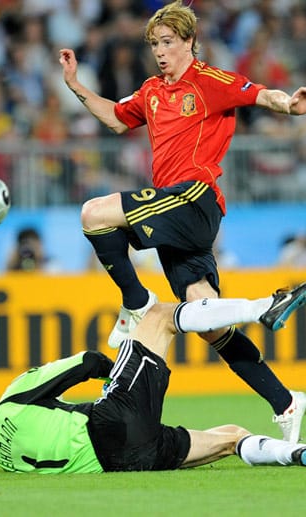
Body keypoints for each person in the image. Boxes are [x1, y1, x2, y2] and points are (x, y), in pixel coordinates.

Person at [58, 0, 306, 441]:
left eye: (168, 42)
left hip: (194, 198)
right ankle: (285, 400)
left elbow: (260, 94)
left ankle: (136, 302)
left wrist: (289, 104)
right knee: (207, 320)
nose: (160, 50)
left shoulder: (210, 81)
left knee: (94, 214)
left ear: (190, 41)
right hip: (175, 213)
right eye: (154, 43)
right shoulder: (151, 91)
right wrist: (75, 84)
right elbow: (116, 119)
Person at [0, 282, 306, 474]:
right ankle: (261, 308)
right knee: (161, 315)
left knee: (231, 438)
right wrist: (115, 374)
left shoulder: (4, 459)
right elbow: (86, 362)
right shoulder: (12, 399)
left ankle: (294, 453)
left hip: (125, 461)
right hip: (112, 423)